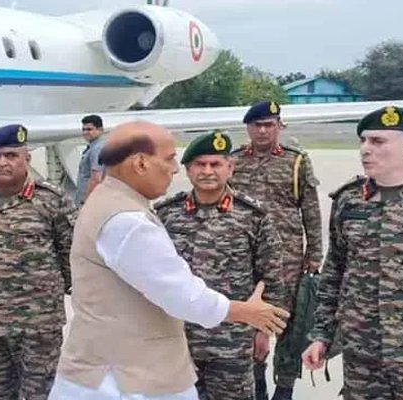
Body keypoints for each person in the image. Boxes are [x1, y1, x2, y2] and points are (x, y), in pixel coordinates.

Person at [49, 120, 290, 400]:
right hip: (126, 377)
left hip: (136, 366)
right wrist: (244, 312)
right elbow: (182, 295)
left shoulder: (111, 202)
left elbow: (270, 272)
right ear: (140, 163)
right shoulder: (128, 220)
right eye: (169, 159)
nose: (174, 168)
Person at [302, 106, 403, 399]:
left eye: (378, 141)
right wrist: (321, 335)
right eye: (363, 140)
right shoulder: (348, 200)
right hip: (362, 354)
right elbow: (334, 273)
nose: (365, 149)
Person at [155, 131, 287, 400]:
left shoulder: (253, 216)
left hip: (232, 342)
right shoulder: (167, 213)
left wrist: (263, 332)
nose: (207, 171)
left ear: (230, 167)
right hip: (178, 339)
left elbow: (271, 276)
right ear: (188, 169)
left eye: (215, 164)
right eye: (199, 164)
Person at [0, 124, 74, 400]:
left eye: (11, 155)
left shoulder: (51, 200)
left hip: (38, 323)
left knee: (41, 393)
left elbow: (69, 255)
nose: (2, 163)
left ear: (27, 158)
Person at [229, 101, 323, 400]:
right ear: (248, 128)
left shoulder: (296, 161)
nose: (263, 131)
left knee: (289, 323)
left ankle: (285, 388)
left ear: (279, 127)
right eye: (257, 125)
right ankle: (256, 382)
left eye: (269, 125)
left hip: (288, 257)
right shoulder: (233, 161)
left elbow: (310, 209)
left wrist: (315, 253)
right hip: (246, 255)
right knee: (248, 320)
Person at [74, 114, 106, 206]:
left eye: (89, 129)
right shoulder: (93, 147)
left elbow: (96, 178)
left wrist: (86, 201)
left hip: (90, 200)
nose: (85, 132)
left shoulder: (97, 149)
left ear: (100, 130)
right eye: (83, 129)